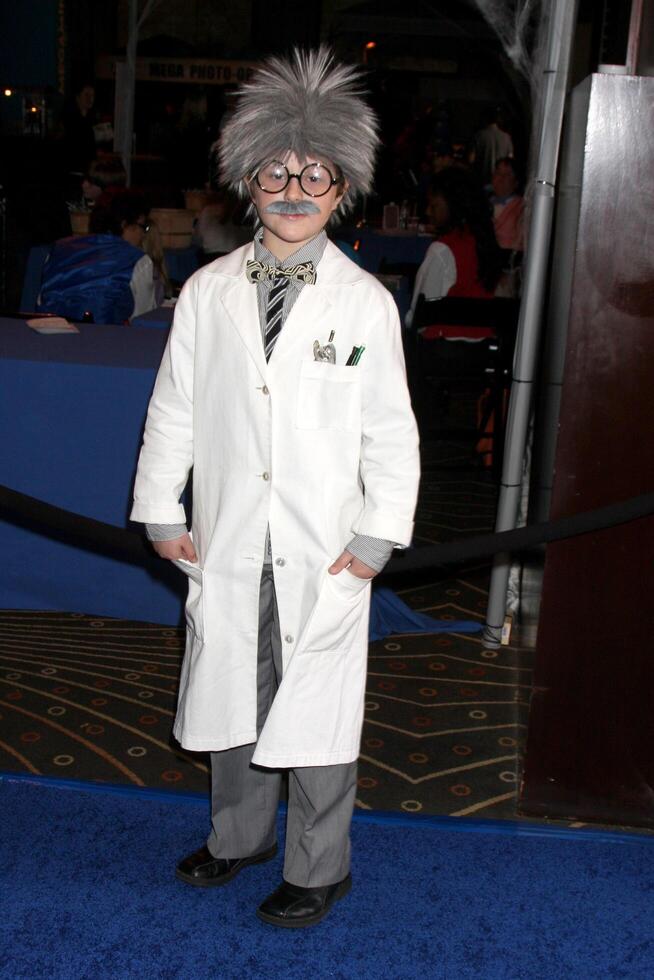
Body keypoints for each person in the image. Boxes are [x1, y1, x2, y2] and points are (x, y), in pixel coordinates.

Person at [130, 47, 420, 928]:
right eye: (275, 174)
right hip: (227, 536)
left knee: (317, 706)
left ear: (344, 191)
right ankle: (238, 836)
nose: (294, 192)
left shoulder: (363, 302)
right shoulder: (208, 293)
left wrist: (377, 535)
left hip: (322, 545)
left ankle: (319, 865)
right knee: (231, 693)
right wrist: (159, 509)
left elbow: (391, 429)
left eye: (316, 177)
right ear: (247, 182)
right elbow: (173, 406)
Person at [406, 167, 504, 327]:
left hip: (441, 347)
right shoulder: (486, 245)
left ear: (453, 205)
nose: (428, 211)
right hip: (484, 346)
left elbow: (418, 314)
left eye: (434, 205)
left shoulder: (442, 250)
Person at [38, 190, 157, 323]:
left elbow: (41, 300)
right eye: (143, 227)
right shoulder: (137, 260)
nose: (143, 235)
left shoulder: (58, 249)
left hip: (52, 335)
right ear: (125, 224)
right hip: (105, 338)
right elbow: (144, 318)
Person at [490, 156, 524, 253]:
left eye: (507, 175)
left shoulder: (521, 207)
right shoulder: (483, 204)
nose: (501, 178)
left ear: (516, 182)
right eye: (498, 173)